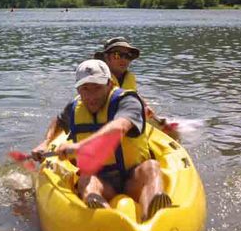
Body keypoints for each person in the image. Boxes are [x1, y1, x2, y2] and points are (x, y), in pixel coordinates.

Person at [31, 59, 171, 221]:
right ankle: (106, 219)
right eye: (85, 89)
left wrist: (80, 146)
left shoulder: (128, 101)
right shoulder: (75, 107)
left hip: (133, 178)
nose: (91, 96)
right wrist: (46, 142)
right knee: (86, 180)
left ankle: (153, 218)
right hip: (103, 182)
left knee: (151, 167)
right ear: (78, 89)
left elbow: (119, 127)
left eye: (97, 88)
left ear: (110, 84)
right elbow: (60, 121)